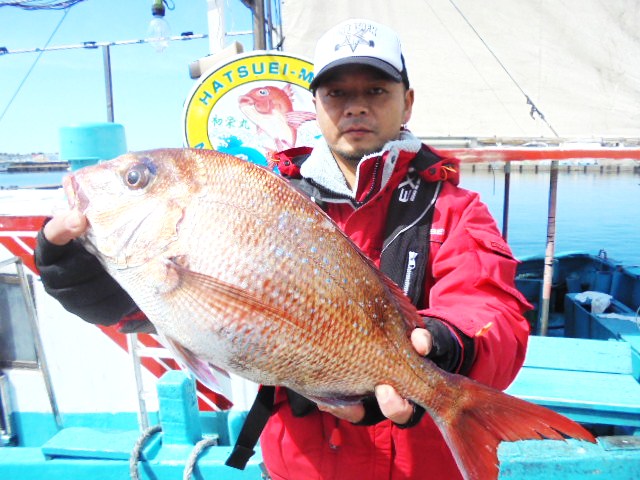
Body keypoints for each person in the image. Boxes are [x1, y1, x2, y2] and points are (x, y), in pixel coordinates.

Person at [35, 18, 531, 480]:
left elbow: (494, 314)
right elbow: (153, 313)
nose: (356, 106)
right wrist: (81, 276)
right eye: (337, 93)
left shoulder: (454, 208)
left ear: (408, 103)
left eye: (376, 90)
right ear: (315, 105)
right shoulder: (268, 196)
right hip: (299, 467)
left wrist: (444, 346)